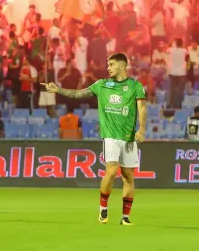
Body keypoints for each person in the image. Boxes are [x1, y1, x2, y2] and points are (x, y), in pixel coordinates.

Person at [42, 53, 147, 226]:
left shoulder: (135, 86)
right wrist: (58, 90)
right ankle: (103, 209)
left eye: (111, 64)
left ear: (122, 66)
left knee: (128, 177)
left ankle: (125, 217)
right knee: (111, 172)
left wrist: (141, 129)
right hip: (111, 136)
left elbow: (142, 108)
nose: (108, 68)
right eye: (108, 64)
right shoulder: (102, 85)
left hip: (128, 138)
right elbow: (79, 94)